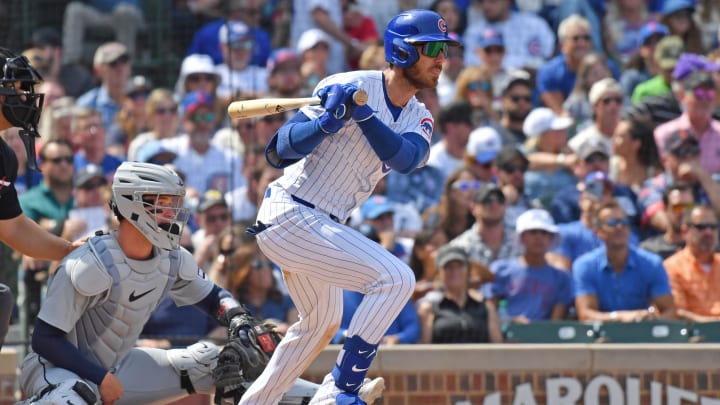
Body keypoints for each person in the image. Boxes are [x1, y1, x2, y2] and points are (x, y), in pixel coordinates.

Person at [241, 9, 459, 404]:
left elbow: (406, 158)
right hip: (289, 213)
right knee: (396, 278)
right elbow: (278, 152)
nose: (442, 58)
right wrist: (325, 122)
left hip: (321, 227)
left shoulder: (419, 115)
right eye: (433, 48)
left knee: (320, 323)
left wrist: (361, 115)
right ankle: (339, 390)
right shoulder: (348, 83)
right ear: (403, 53)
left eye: (445, 49)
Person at [15, 161, 304, 405]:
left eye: (174, 204)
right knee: (75, 396)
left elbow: (214, 298)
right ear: (134, 205)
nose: (173, 214)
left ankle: (328, 399)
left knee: (226, 365)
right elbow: (44, 340)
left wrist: (238, 319)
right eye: (164, 204)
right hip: (54, 370)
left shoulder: (172, 258)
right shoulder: (89, 262)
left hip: (116, 367)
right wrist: (99, 378)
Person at [0, 48, 84, 349]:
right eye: (18, 89)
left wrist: (66, 250)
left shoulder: (4, 157)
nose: (26, 98)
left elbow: (12, 228)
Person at [573, 199, 676, 322]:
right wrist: (619, 317)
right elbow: (585, 314)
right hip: (600, 337)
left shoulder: (651, 263)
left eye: (624, 222)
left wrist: (650, 324)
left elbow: (670, 311)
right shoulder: (584, 266)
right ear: (598, 232)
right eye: (612, 223)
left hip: (641, 336)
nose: (620, 227)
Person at [483, 209, 573, 322]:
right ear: (522, 237)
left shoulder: (561, 278)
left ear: (551, 238)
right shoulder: (500, 270)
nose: (539, 238)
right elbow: (490, 311)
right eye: (533, 232)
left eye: (544, 233)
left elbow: (555, 323)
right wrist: (510, 320)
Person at [416, 244, 503, 344]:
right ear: (440, 272)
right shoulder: (429, 309)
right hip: (443, 359)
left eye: (459, 266)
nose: (454, 271)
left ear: (468, 270)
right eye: (448, 267)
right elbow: (425, 348)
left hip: (480, 359)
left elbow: (497, 346)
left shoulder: (486, 308)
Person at [664, 204, 720, 322]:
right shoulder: (672, 267)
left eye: (713, 227)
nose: (708, 232)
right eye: (701, 227)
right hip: (691, 336)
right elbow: (677, 312)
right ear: (685, 231)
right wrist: (711, 324)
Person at [640, 183, 695, 259]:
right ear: (665, 209)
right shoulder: (648, 251)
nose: (683, 211)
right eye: (677, 207)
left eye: (689, 206)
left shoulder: (705, 249)